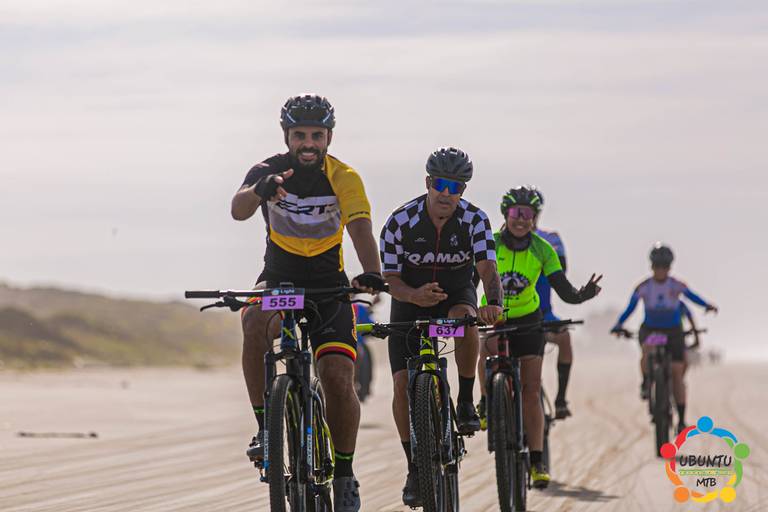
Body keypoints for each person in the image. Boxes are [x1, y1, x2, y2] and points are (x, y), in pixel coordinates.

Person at [231, 94, 385, 512]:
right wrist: (259, 190)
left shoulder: (344, 177)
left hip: (327, 284)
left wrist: (372, 272)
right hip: (279, 277)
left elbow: (360, 228)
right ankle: (266, 429)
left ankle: (345, 473)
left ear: (328, 137)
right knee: (252, 322)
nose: (308, 143)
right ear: (287, 137)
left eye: (317, 135)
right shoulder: (267, 170)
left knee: (337, 376)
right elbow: (238, 210)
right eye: (300, 135)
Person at [379, 147, 503, 507]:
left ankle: (464, 401)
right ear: (427, 183)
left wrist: (493, 303)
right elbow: (390, 279)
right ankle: (413, 468)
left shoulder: (475, 220)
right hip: (409, 298)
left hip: (455, 294)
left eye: (456, 187)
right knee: (401, 385)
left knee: (465, 320)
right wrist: (414, 295)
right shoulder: (400, 221)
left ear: (463, 190)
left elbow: (487, 270)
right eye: (440, 185)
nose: (447, 193)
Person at [476, 185, 602, 489]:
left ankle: (536, 461)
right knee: (483, 348)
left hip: (528, 319)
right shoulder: (489, 243)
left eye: (528, 214)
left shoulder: (543, 249)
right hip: (494, 316)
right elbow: (468, 280)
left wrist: (583, 295)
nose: (521, 219)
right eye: (516, 213)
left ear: (535, 217)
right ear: (505, 213)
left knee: (531, 392)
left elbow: (564, 290)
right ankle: (484, 402)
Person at [611, 243, 717, 433]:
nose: (661, 270)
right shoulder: (644, 287)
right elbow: (630, 308)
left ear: (669, 267)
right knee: (647, 349)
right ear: (651, 266)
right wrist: (618, 324)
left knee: (677, 373)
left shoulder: (676, 285)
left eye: (665, 266)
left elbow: (692, 296)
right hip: (652, 330)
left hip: (673, 331)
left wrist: (706, 305)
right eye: (657, 266)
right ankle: (646, 382)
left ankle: (681, 419)